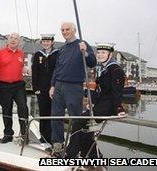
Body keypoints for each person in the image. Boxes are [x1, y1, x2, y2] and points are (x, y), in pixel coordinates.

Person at [65, 43, 126, 158]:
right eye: (98, 52)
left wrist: (119, 108)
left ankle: (70, 155)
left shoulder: (115, 69)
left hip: (108, 106)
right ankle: (91, 154)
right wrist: (91, 102)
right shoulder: (101, 68)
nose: (100, 55)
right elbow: (97, 89)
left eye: (103, 52)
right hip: (99, 105)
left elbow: (117, 92)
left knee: (79, 122)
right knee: (84, 124)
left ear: (110, 54)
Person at [49, 22, 96, 155]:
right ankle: (57, 144)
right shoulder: (62, 49)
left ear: (74, 30)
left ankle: (76, 148)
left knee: (76, 119)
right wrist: (52, 85)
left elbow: (92, 62)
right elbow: (57, 68)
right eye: (62, 30)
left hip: (73, 87)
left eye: (67, 29)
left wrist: (85, 52)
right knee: (55, 116)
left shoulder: (82, 44)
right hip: (58, 85)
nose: (64, 32)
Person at [0, 32, 29, 144]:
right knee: (6, 111)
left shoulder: (21, 53)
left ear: (19, 41)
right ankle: (8, 135)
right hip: (4, 85)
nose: (13, 40)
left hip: (18, 85)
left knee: (23, 108)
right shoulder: (0, 53)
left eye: (16, 39)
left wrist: (25, 69)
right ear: (8, 39)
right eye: (11, 38)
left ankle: (24, 134)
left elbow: (19, 66)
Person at [32, 34, 59, 143]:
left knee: (54, 113)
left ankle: (53, 137)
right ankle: (43, 137)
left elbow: (59, 70)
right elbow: (34, 72)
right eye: (44, 41)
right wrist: (35, 88)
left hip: (54, 89)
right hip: (41, 89)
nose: (46, 43)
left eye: (48, 41)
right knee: (43, 113)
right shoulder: (38, 54)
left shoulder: (57, 54)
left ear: (52, 42)